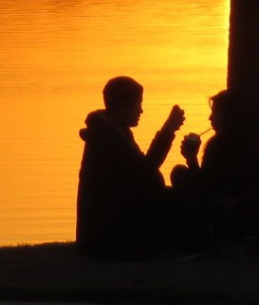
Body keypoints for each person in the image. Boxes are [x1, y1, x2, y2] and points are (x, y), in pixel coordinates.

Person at [76, 75, 186, 259]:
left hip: (106, 230)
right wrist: (168, 129)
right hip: (105, 238)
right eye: (138, 104)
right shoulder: (108, 137)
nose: (141, 110)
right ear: (124, 105)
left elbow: (142, 170)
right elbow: (146, 171)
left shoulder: (115, 130)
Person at [173, 89, 259, 243]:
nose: (210, 117)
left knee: (179, 173)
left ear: (228, 114)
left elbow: (207, 187)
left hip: (230, 210)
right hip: (245, 209)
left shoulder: (219, 145)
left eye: (215, 112)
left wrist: (191, 158)